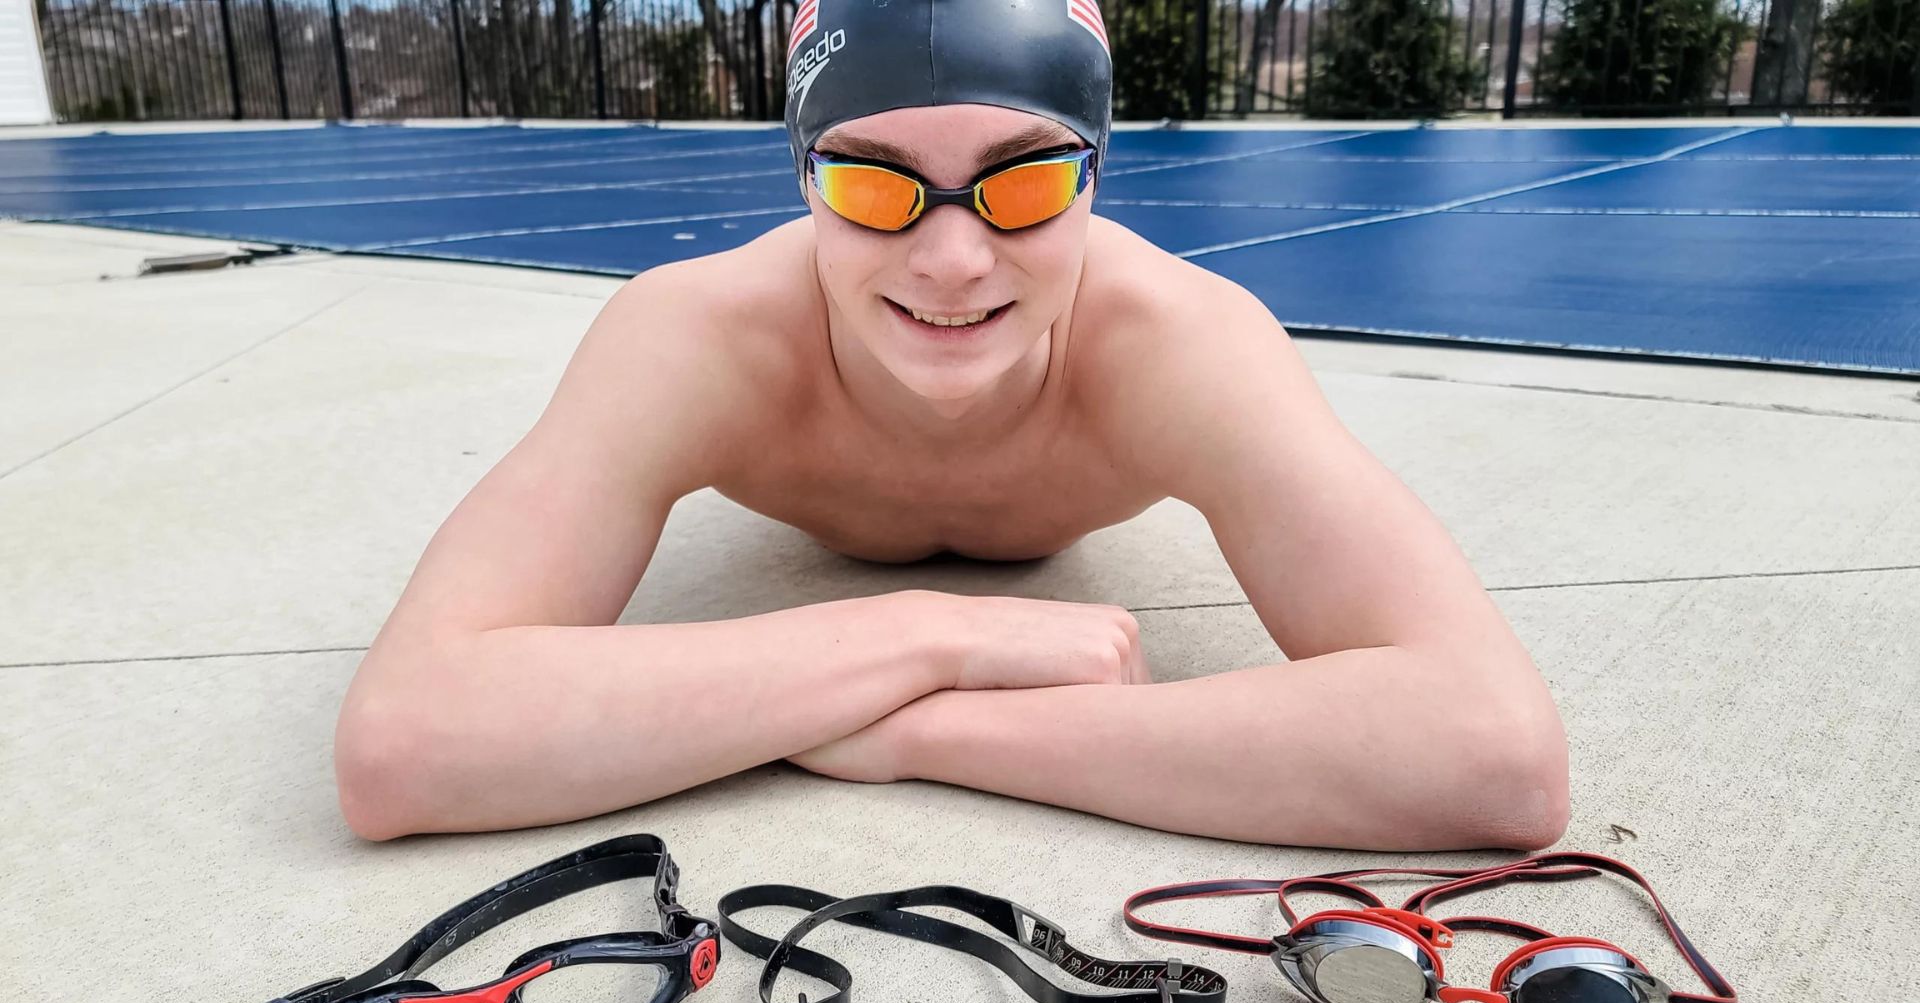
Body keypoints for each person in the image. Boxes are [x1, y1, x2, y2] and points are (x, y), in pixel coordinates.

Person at [334, 0, 1568, 850]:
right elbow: (405, 742)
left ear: (1100, 175)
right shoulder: (700, 338)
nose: (953, 261)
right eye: (874, 185)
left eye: (1025, 180)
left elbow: (1492, 751)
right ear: (802, 180)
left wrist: (933, 734)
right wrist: (929, 635)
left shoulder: (1176, 343)